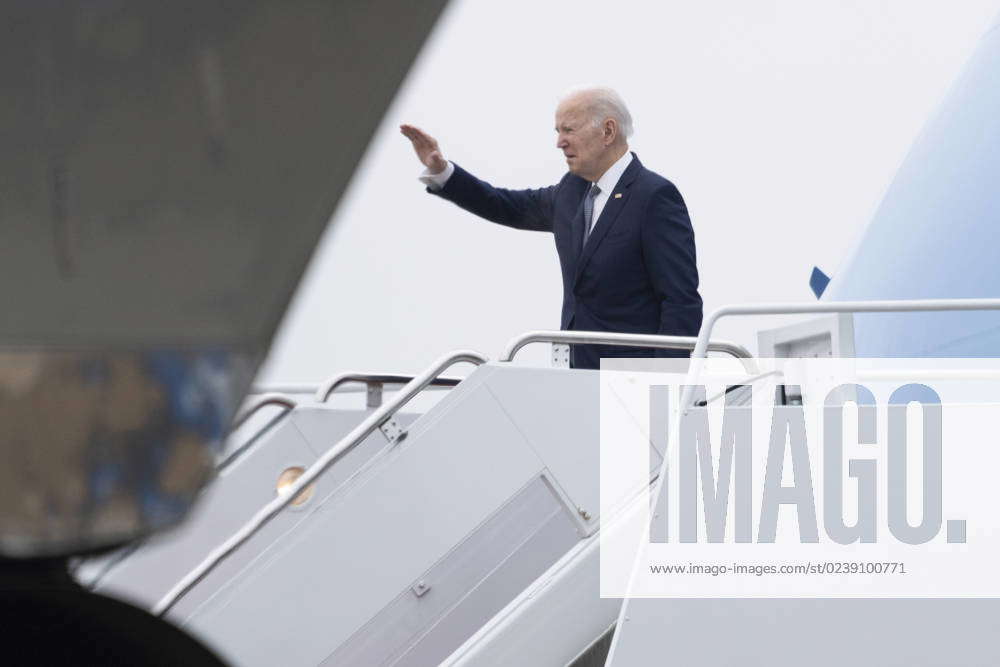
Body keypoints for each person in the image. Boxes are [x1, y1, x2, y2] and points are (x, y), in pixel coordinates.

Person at [400, 87, 702, 369]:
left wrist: (664, 381)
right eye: (558, 132)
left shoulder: (654, 196)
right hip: (574, 376)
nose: (559, 142)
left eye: (568, 130)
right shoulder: (571, 192)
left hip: (634, 378)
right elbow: (507, 206)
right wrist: (443, 174)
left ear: (608, 131)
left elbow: (680, 300)